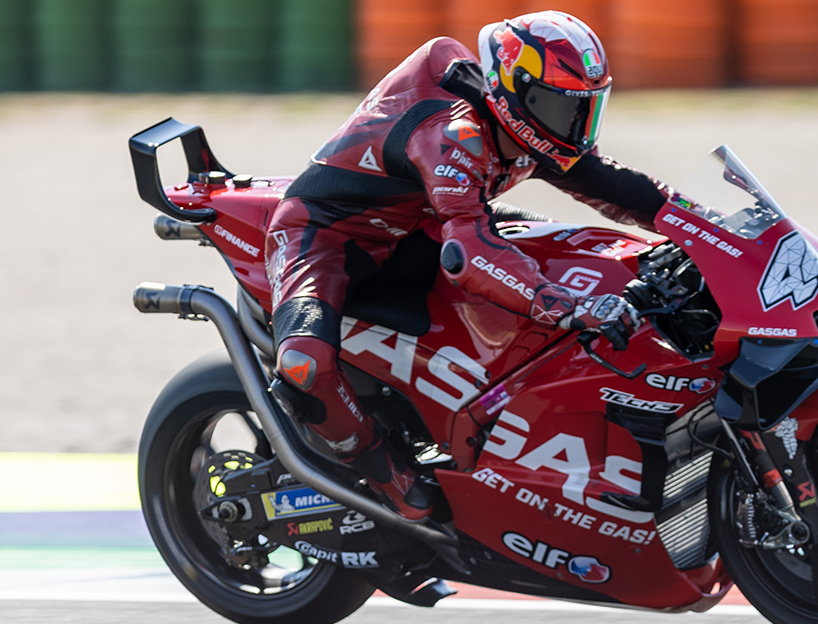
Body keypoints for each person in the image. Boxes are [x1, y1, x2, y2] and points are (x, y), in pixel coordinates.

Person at [264, 11, 670, 522]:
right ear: (515, 93)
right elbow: (470, 256)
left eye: (583, 109)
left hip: (425, 227)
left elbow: (621, 187)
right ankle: (385, 474)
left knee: (571, 247)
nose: (573, 125)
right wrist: (569, 308)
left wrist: (716, 229)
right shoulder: (453, 133)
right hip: (327, 235)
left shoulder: (530, 128)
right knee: (305, 364)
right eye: (559, 106)